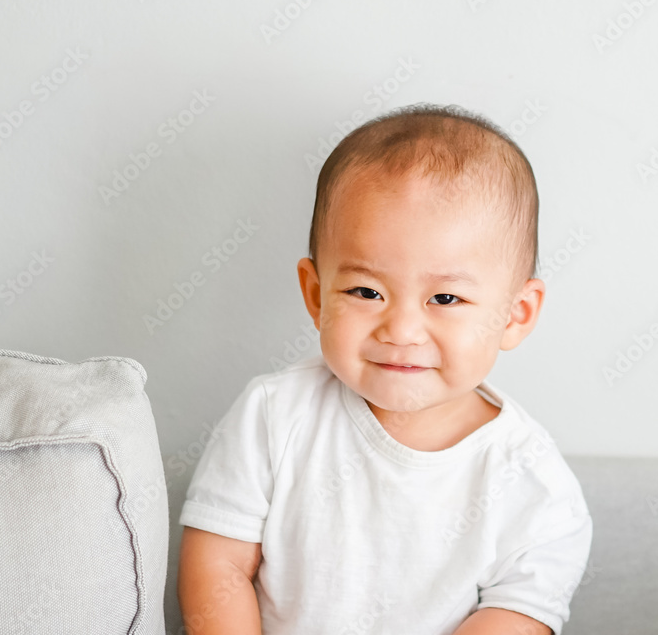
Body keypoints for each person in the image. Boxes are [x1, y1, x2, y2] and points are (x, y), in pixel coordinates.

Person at [177, 103, 593, 635]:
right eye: (366, 291)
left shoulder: (532, 482)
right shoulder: (274, 416)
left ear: (516, 315)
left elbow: (518, 615)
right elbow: (220, 565)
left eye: (444, 297)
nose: (400, 330)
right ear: (317, 295)